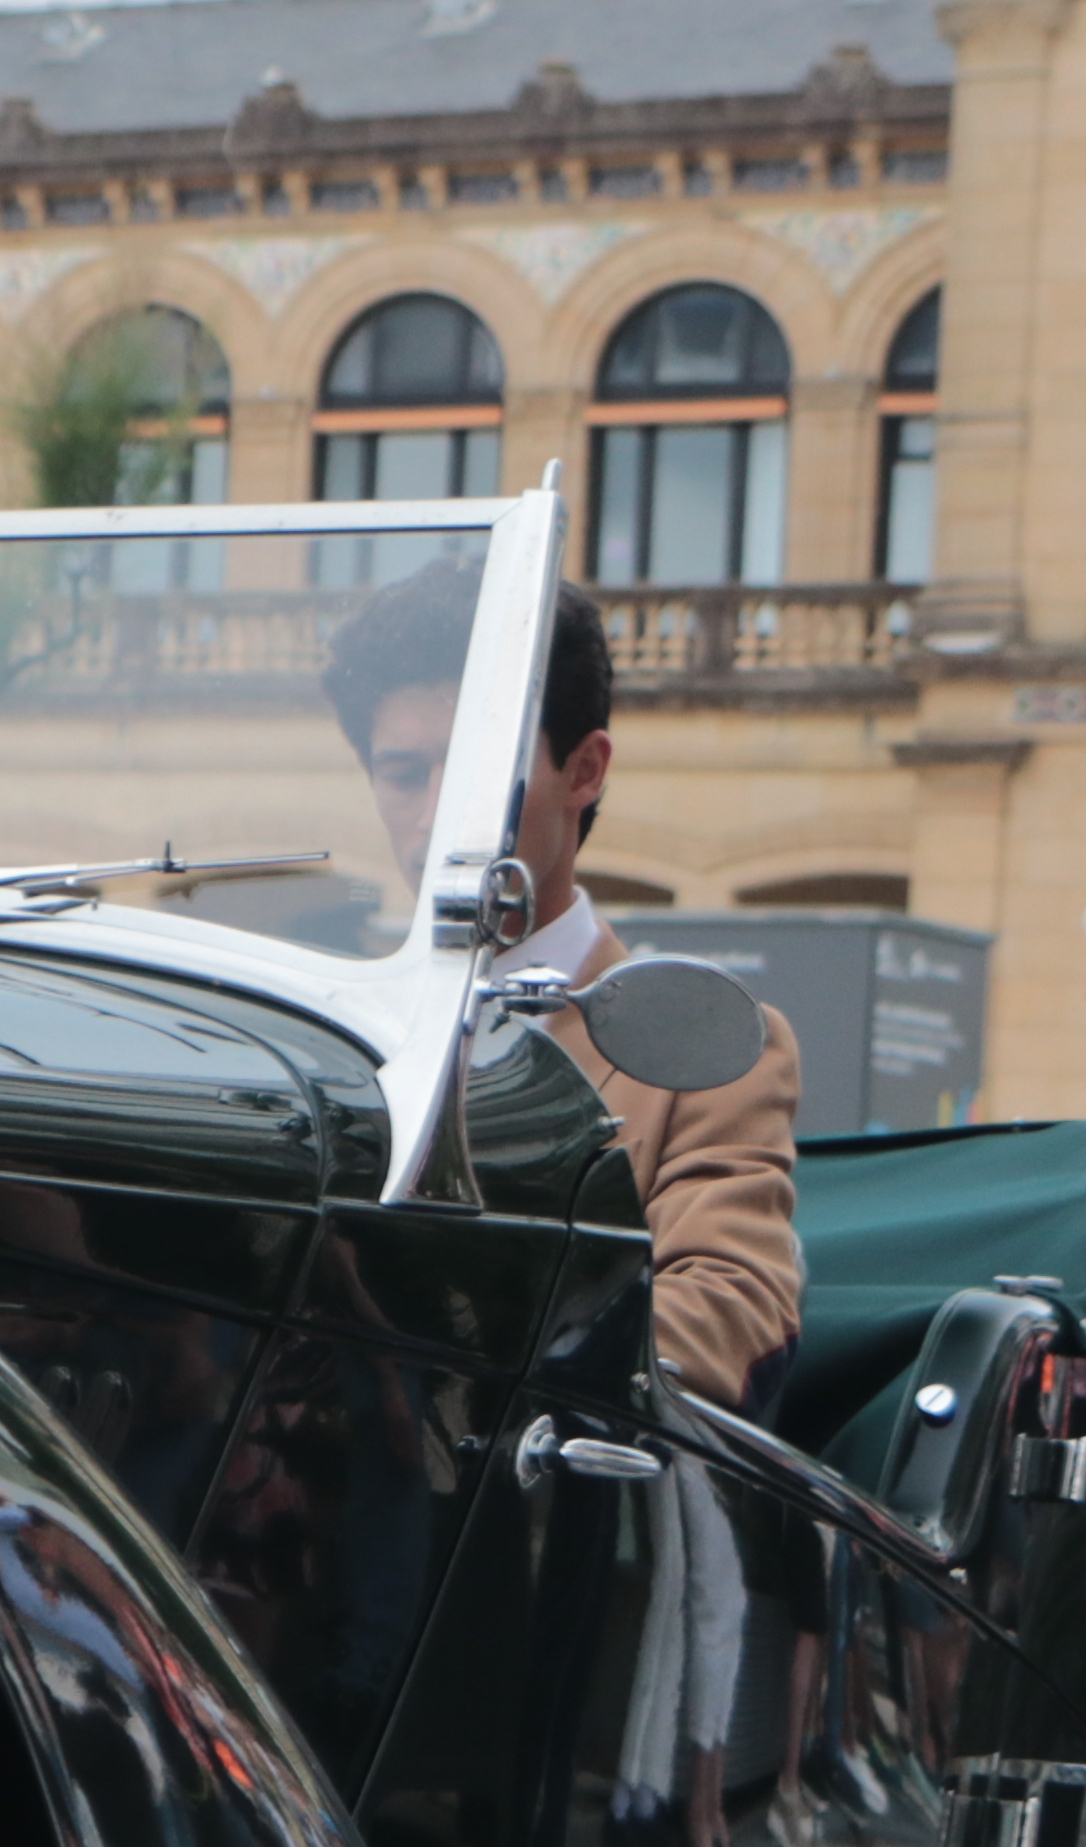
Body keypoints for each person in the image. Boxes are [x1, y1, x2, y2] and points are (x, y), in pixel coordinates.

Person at [326, 567, 802, 1408]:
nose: (436, 816)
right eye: (402, 774)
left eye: (473, 771)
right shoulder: (321, 1027)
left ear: (584, 771)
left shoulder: (706, 1048)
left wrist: (468, 1358)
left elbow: (732, 1305)